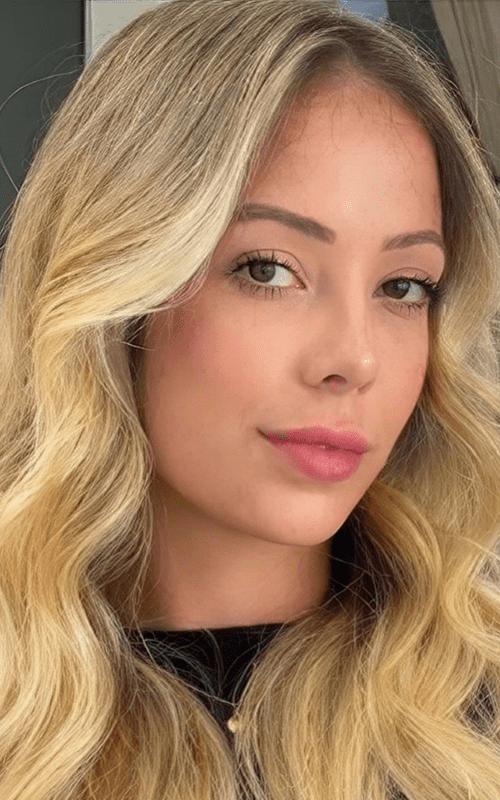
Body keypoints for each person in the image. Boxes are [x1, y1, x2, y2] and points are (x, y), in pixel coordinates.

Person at [0, 1, 499, 798]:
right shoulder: (20, 718)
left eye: (403, 286)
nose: (355, 358)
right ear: (119, 299)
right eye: (268, 269)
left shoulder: (474, 719)